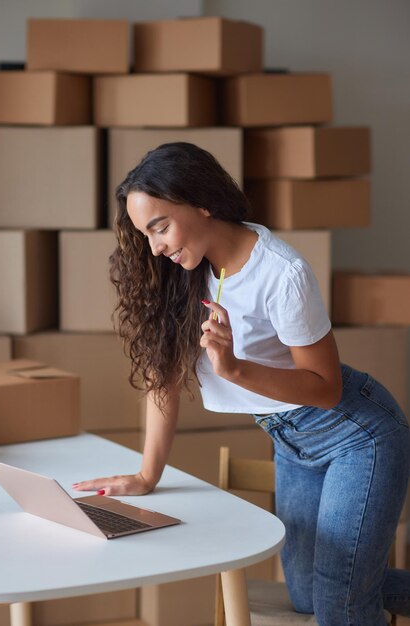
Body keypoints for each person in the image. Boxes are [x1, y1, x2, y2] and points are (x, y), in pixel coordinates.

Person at [73, 142, 410, 625]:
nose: (155, 247)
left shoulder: (281, 274)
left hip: (357, 436)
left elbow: (327, 388)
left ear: (201, 202)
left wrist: (233, 369)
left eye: (160, 227)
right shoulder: (187, 273)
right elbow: (162, 377)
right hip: (291, 441)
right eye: (145, 234)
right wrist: (148, 475)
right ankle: (355, 588)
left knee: (341, 606)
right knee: (308, 596)